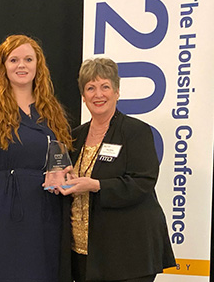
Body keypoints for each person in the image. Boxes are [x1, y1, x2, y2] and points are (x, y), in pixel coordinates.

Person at [0, 34, 73, 282]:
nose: (22, 65)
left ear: (38, 66)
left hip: (43, 214)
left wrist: (65, 173)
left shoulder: (52, 111)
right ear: (3, 66)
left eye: (28, 59)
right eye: (14, 59)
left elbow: (60, 158)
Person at [57, 57, 176, 282]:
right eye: (90, 88)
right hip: (83, 253)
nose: (98, 94)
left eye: (105, 87)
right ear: (83, 96)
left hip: (127, 253)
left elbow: (143, 182)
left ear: (117, 92)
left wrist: (96, 185)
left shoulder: (136, 132)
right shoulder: (74, 137)